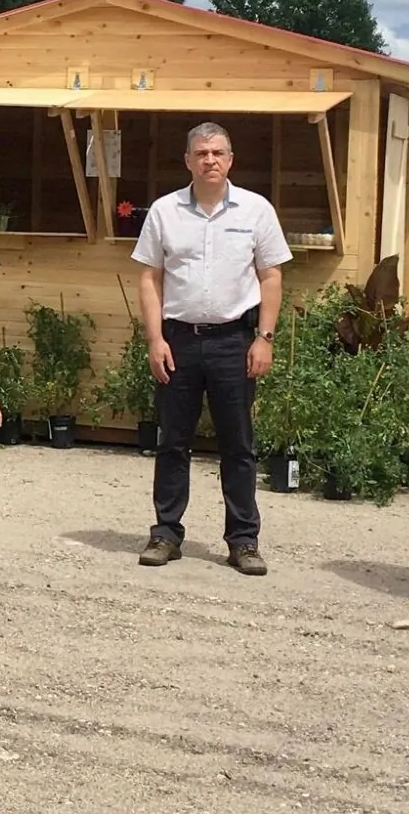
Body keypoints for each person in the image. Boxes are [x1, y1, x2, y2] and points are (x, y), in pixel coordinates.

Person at [132, 122, 289, 576]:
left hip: (234, 342)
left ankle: (243, 540)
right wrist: (155, 338)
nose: (210, 160)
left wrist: (265, 337)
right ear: (187, 161)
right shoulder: (164, 211)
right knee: (172, 442)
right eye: (201, 153)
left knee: (238, 446)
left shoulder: (256, 211)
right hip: (178, 340)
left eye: (218, 152)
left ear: (231, 159)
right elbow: (150, 277)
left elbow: (271, 277)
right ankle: (165, 533)